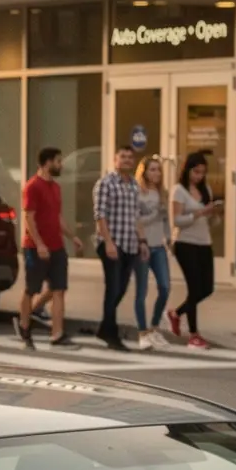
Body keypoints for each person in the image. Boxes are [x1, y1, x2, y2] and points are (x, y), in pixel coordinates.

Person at [14, 147, 84, 350]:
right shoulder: (32, 187)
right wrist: (39, 244)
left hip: (57, 247)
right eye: (58, 161)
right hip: (36, 248)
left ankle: (57, 334)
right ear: (47, 163)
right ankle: (24, 326)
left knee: (59, 289)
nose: (61, 165)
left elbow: (57, 217)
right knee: (31, 290)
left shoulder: (56, 187)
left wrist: (72, 237)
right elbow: (29, 217)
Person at [93, 145, 150, 351]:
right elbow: (100, 215)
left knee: (122, 288)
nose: (126, 160)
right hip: (111, 243)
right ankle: (111, 334)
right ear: (115, 160)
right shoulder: (105, 184)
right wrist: (108, 242)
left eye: (130, 157)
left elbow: (137, 217)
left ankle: (104, 327)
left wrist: (142, 242)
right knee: (113, 288)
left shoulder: (134, 185)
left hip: (130, 245)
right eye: (122, 157)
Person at [167, 151, 220, 350]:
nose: (199, 176)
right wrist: (200, 213)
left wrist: (214, 214)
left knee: (207, 288)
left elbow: (210, 221)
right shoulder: (178, 190)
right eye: (196, 172)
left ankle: (176, 313)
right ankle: (194, 335)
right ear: (188, 169)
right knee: (194, 287)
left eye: (202, 173)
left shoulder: (205, 189)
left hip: (204, 242)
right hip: (185, 243)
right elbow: (177, 221)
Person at [133, 156, 172, 351]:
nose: (156, 173)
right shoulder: (138, 194)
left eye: (159, 170)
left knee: (165, 287)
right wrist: (153, 215)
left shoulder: (161, 193)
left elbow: (165, 220)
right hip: (143, 246)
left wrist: (169, 237)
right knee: (141, 291)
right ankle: (142, 332)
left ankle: (155, 327)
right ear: (144, 172)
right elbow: (136, 221)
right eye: (153, 170)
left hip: (159, 247)